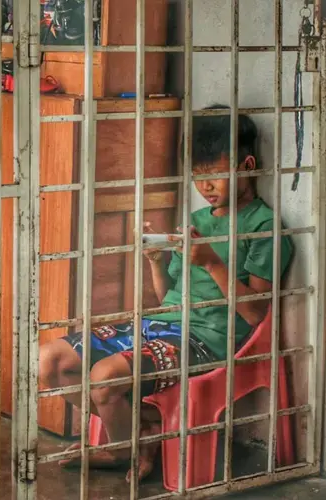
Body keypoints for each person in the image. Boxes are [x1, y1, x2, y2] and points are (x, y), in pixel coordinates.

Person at [37, 105, 294, 482]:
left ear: (246, 166)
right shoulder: (196, 222)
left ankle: (126, 450)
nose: (205, 187)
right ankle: (137, 435)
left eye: (215, 176)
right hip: (163, 324)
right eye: (197, 177)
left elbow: (256, 316)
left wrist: (212, 263)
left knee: (105, 377)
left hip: (209, 338)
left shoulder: (263, 227)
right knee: (49, 361)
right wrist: (156, 263)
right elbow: (167, 298)